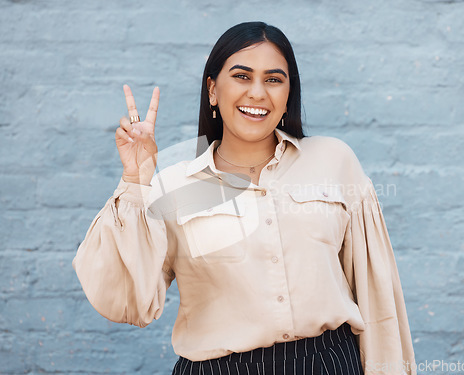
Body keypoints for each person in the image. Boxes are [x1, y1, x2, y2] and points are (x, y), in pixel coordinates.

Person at [72, 21, 417, 375]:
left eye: (273, 79)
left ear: (287, 93)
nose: (257, 93)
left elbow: (378, 299)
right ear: (212, 90)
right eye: (241, 76)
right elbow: (127, 302)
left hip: (329, 363)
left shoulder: (333, 161)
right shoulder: (175, 187)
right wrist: (135, 181)